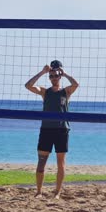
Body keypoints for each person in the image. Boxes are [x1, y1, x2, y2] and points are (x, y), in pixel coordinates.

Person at [25, 62, 79, 198]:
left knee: (60, 163)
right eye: (51, 76)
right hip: (46, 130)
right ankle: (39, 192)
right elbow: (28, 86)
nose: (54, 78)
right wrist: (42, 72)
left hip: (62, 130)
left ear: (59, 77)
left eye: (56, 76)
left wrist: (64, 73)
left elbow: (76, 84)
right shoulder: (45, 92)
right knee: (41, 162)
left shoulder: (66, 91)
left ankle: (57, 192)